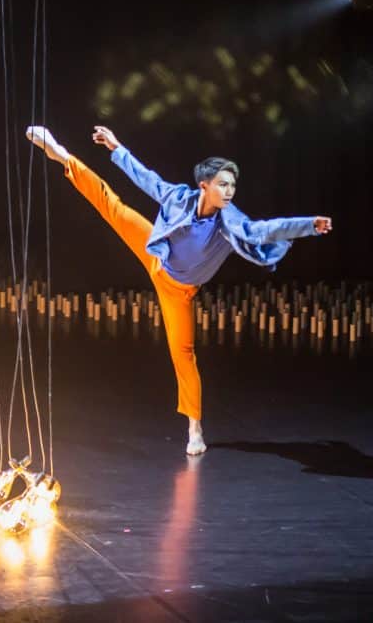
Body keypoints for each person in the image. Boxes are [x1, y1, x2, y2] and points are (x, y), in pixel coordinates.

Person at [26, 125, 332, 455]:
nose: (229, 191)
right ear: (205, 186)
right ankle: (62, 156)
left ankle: (194, 428)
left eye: (233, 185)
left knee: (183, 355)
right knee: (111, 205)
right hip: (157, 256)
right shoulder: (179, 198)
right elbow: (146, 179)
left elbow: (264, 230)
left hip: (179, 292)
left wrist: (308, 226)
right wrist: (116, 147)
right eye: (223, 184)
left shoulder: (230, 222)